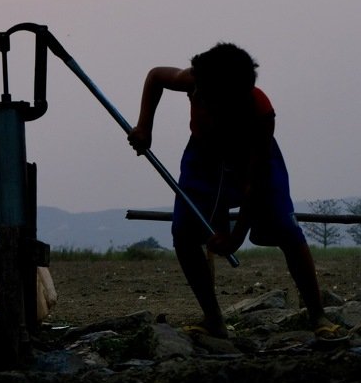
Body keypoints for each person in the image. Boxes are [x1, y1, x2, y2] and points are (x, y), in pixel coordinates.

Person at [127, 43, 345, 341]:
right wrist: (144, 127)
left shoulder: (259, 111)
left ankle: (318, 314)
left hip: (254, 164)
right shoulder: (195, 79)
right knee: (184, 233)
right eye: (198, 88)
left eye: (206, 94)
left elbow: (255, 183)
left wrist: (236, 237)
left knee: (285, 229)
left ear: (230, 96)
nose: (197, 96)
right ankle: (213, 319)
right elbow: (155, 77)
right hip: (203, 159)